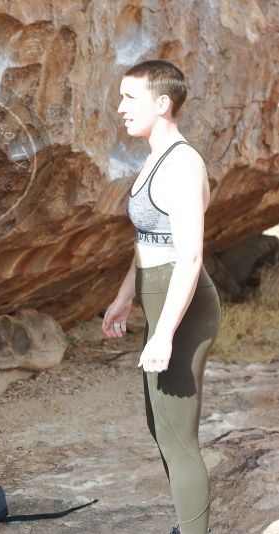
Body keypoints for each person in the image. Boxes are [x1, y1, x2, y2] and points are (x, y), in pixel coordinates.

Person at [102, 60, 220, 534]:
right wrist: (124, 296)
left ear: (162, 103)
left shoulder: (183, 165)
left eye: (130, 98)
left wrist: (165, 333)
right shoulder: (154, 156)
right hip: (160, 299)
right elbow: (152, 239)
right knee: (161, 426)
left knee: (177, 437)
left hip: (185, 310)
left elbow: (189, 257)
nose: (120, 107)